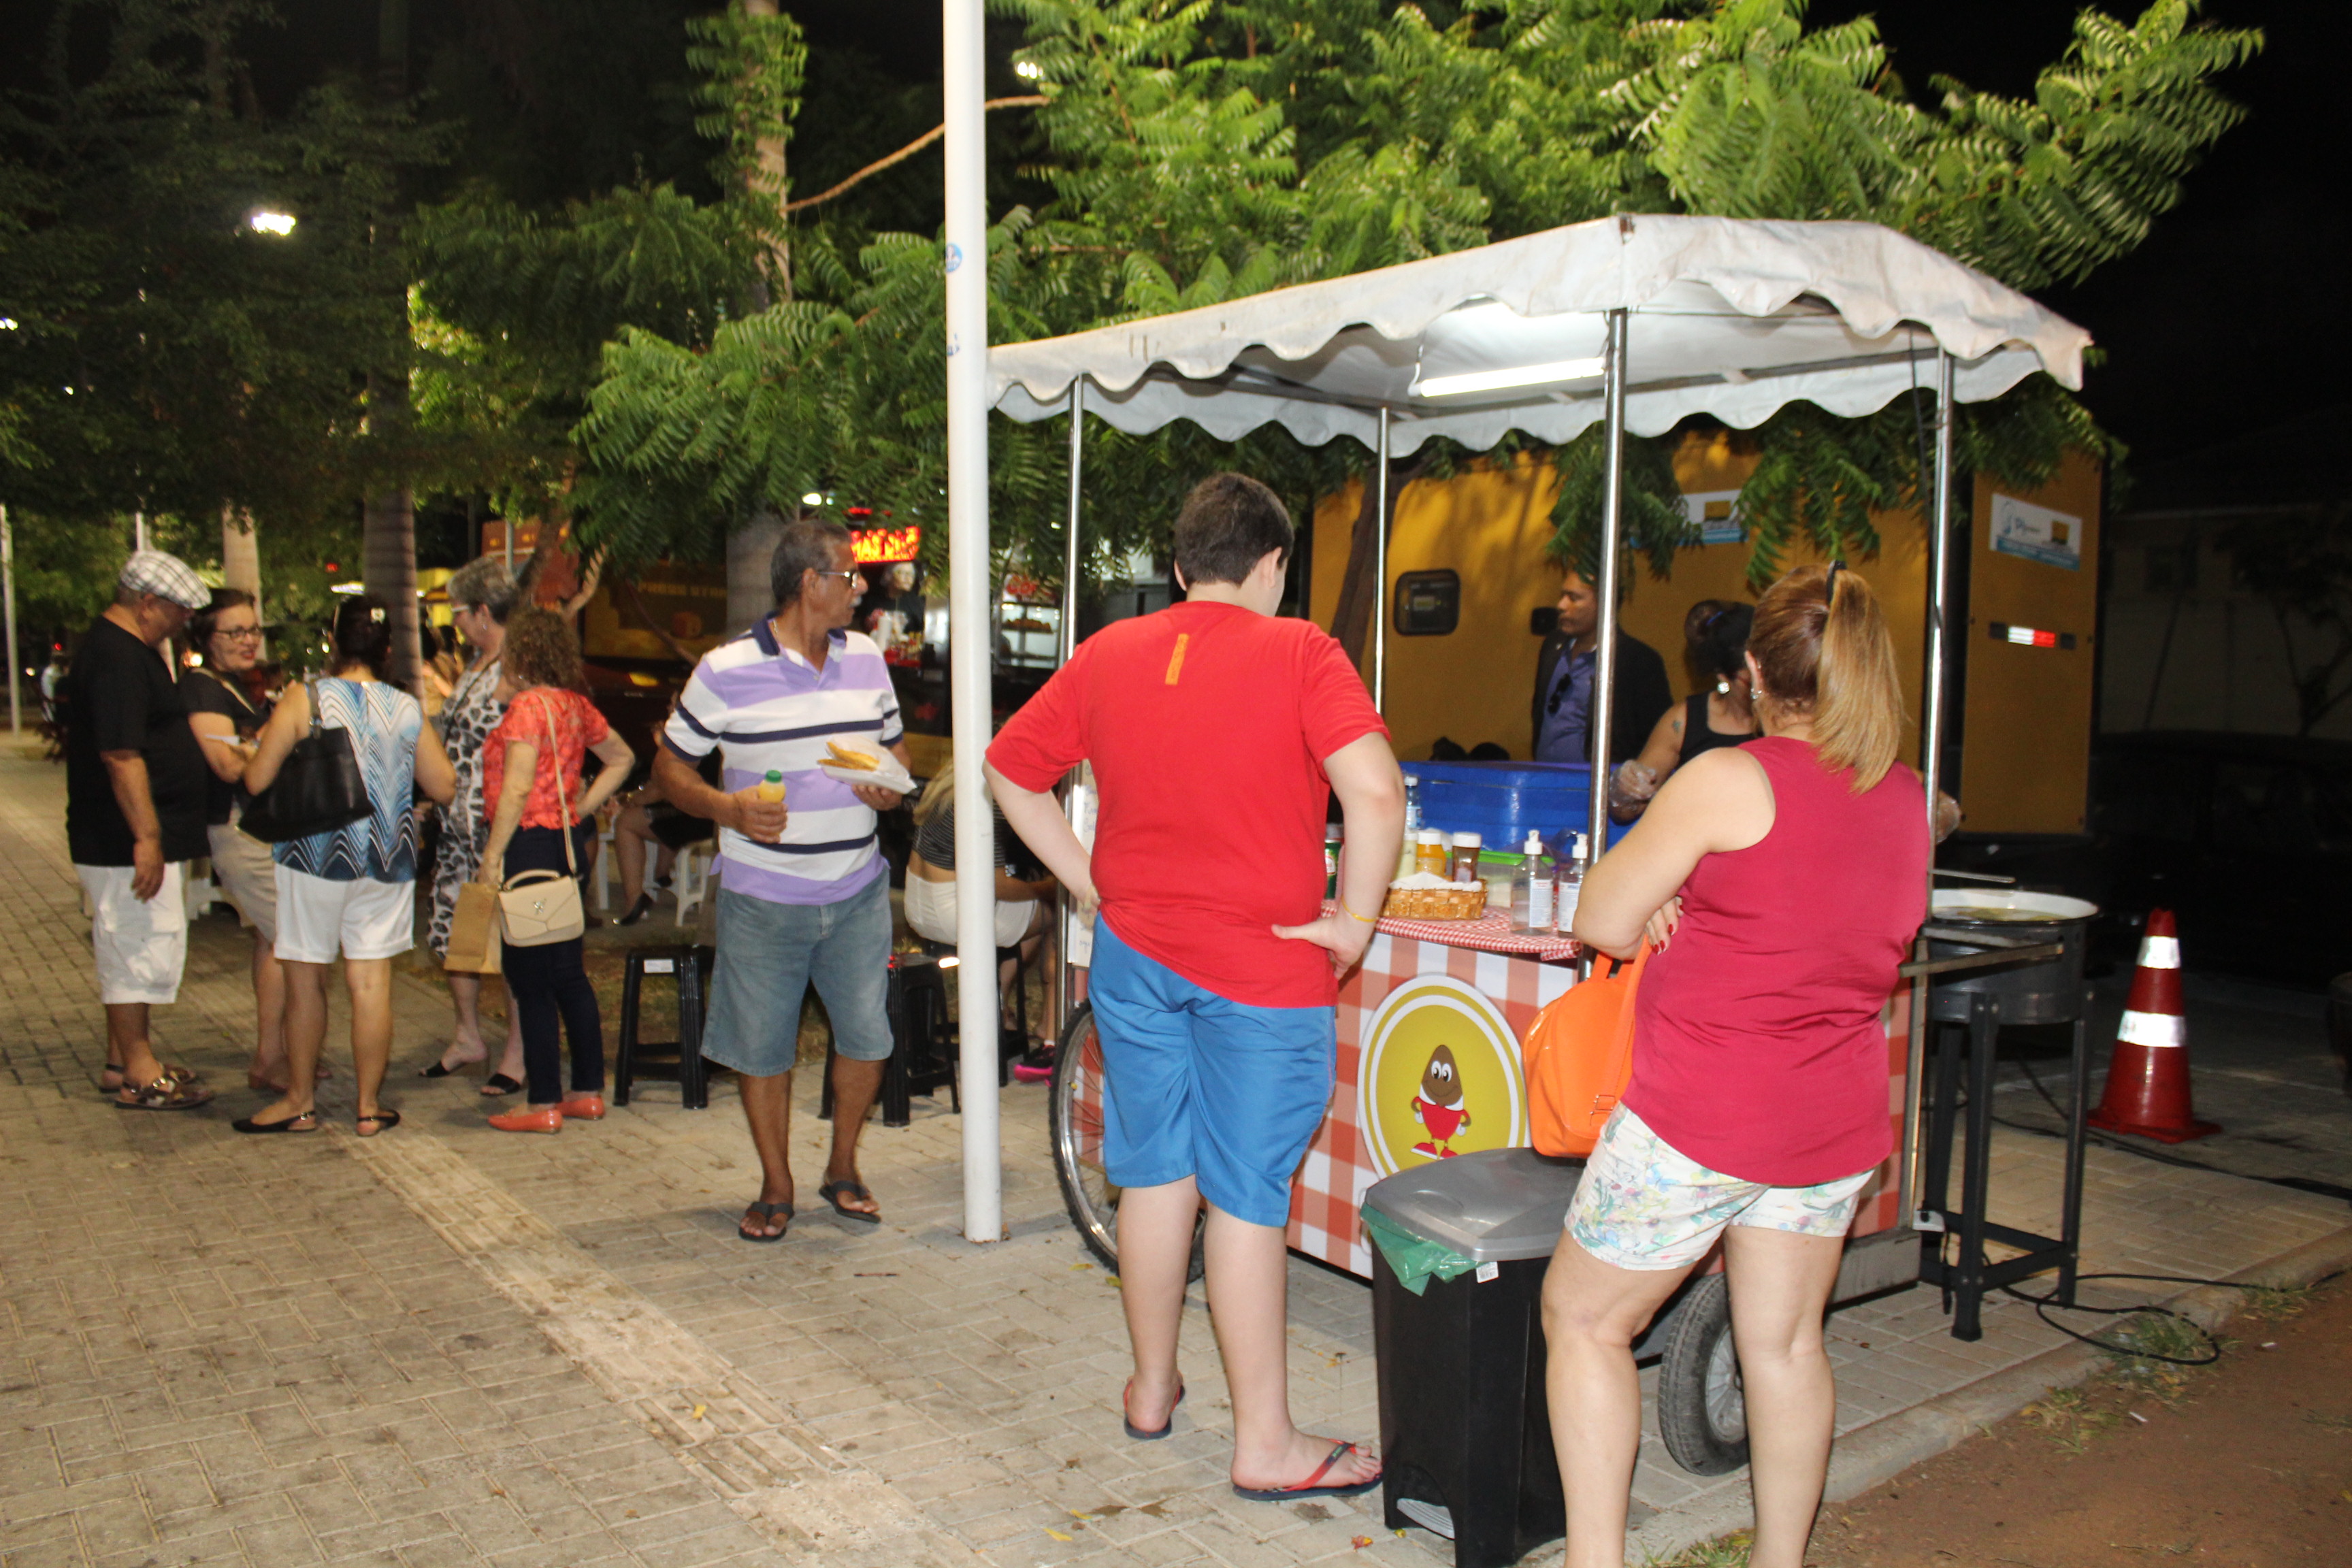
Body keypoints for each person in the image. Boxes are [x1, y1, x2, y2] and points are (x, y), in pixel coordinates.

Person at [987, 472, 1404, 1501]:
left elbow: (1009, 769)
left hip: (1136, 958)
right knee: (1246, 1197)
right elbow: (1375, 792)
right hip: (1263, 968)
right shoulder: (1303, 651)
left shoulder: (1109, 653)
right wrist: (1352, 924)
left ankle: (1150, 1388)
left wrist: (1088, 881)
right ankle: (1266, 1444)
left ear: (1179, 567)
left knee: (1154, 1171)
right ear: (1274, 565)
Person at [1548, 562, 1927, 1568]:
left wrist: (1667, 896)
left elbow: (1600, 918)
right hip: (1830, 1125)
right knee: (1788, 1345)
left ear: (1754, 671)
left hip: (1699, 1116)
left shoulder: (1728, 780)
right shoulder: (1908, 799)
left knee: (1584, 1321)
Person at [650, 519, 911, 1241]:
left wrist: (887, 788)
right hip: (763, 897)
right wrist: (727, 808)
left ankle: (843, 1165)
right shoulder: (725, 669)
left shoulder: (867, 658)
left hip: (857, 890)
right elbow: (669, 768)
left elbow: (895, 753)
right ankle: (776, 1182)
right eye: (849, 576)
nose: (860, 588)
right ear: (809, 584)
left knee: (868, 1037)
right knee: (764, 1049)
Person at [238, 595, 456, 1135]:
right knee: (371, 982)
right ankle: (367, 1107)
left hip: (311, 857)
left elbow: (257, 780)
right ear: (387, 648)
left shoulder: (305, 698)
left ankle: (300, 1102)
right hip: (385, 858)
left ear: (334, 641)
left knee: (306, 980)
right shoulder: (405, 706)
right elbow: (444, 785)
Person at [475, 608, 635, 1133]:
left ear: (521, 653)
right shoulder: (573, 705)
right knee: (568, 972)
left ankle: (542, 1099)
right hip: (566, 849)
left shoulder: (527, 708)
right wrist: (580, 808)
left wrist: (492, 857)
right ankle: (586, 1090)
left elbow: (518, 787)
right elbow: (622, 757)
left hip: (526, 848)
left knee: (530, 978)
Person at [67, 551, 216, 1110]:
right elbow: (121, 753)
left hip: (128, 835)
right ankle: (138, 1071)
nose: (183, 622)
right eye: (179, 611)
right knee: (135, 947)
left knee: (133, 942)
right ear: (148, 603)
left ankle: (123, 1059)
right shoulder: (117, 658)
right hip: (120, 838)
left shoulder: (126, 650)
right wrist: (147, 837)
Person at [419, 557, 527, 1095]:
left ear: (483, 611)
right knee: (454, 936)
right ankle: (467, 1035)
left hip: (496, 827)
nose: (455, 623)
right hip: (457, 826)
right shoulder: (476, 663)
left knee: (511, 942)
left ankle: (518, 1051)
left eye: (458, 612)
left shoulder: (517, 667)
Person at [183, 588, 297, 1093]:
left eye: (253, 630)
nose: (249, 640)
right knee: (291, 941)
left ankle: (277, 1054)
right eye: (235, 632)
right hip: (238, 828)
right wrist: (273, 737)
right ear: (207, 638)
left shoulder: (235, 687)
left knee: (275, 941)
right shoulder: (203, 689)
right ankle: (277, 1057)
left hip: (261, 826)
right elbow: (227, 765)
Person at [903, 756, 1058, 1055]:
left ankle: (998, 1001)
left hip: (918, 906)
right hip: (953, 914)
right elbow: (999, 886)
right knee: (1055, 912)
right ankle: (1042, 1022)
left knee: (1028, 912)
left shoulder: (945, 789)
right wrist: (1046, 888)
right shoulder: (983, 802)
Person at [1606, 600, 1757, 821]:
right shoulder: (1683, 721)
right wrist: (1626, 788)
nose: (1763, 686)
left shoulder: (1789, 715)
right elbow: (1626, 812)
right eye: (1751, 680)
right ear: (1723, 676)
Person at [1531, 568, 1671, 768]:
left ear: (1605, 603)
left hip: (1600, 780)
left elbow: (1657, 736)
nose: (1561, 605)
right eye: (1562, 596)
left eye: (1574, 598)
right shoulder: (1553, 646)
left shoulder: (1636, 660)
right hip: (1544, 776)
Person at [610, 728, 719, 926]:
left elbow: (664, 785)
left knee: (626, 822)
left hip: (701, 817)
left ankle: (634, 899)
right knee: (662, 815)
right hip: (717, 811)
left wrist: (630, 800)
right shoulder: (714, 734)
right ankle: (662, 874)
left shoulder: (687, 737)